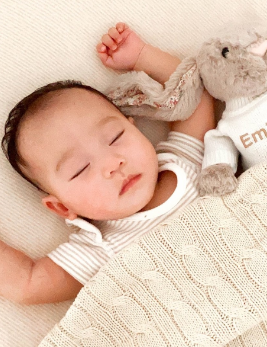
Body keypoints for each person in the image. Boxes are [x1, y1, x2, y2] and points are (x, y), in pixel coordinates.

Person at [0, 23, 215, 305]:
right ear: (63, 207)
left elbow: (194, 97)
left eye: (115, 138)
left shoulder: (184, 162)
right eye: (80, 169)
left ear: (134, 127)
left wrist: (143, 57)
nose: (113, 164)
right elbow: (27, 284)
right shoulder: (100, 247)